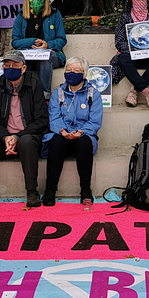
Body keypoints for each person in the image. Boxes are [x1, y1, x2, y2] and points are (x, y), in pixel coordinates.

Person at [0, 50, 49, 209]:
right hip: (5, 139)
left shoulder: (34, 85)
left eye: (14, 65)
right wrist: (5, 137)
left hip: (26, 137)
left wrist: (18, 136)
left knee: (27, 141)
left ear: (23, 68)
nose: (10, 68)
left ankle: (32, 191)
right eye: (6, 65)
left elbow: (41, 120)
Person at [41, 56, 103, 206]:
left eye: (77, 70)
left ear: (84, 74)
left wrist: (81, 131)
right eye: (68, 70)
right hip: (63, 134)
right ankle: (50, 190)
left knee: (84, 143)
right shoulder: (58, 93)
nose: (72, 73)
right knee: (55, 142)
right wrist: (62, 131)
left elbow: (95, 121)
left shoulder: (93, 94)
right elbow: (53, 117)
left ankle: (85, 190)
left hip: (83, 135)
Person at [11, 0, 67, 99]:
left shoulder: (55, 14)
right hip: (28, 56)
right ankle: (22, 94)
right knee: (19, 61)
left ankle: (45, 95)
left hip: (51, 55)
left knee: (44, 59)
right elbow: (15, 41)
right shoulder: (21, 16)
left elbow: (62, 39)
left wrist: (47, 44)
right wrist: (33, 41)